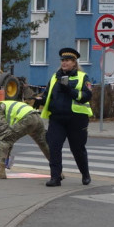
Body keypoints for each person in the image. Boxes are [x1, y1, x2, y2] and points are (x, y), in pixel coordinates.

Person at [41, 47, 93, 186]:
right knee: (54, 147)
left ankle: (85, 174)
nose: (65, 63)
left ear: (74, 63)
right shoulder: (54, 77)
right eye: (63, 60)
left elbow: (87, 96)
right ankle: (55, 178)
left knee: (77, 149)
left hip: (76, 120)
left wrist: (70, 91)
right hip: (57, 119)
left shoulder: (82, 77)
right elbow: (48, 95)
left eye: (68, 60)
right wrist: (39, 100)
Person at [0, 100, 51, 179]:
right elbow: (10, 135)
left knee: (3, 139)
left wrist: (0, 146)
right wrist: (7, 155)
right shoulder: (5, 106)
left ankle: (0, 171)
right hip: (36, 117)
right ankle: (57, 171)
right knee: (44, 144)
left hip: (26, 119)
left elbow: (4, 133)